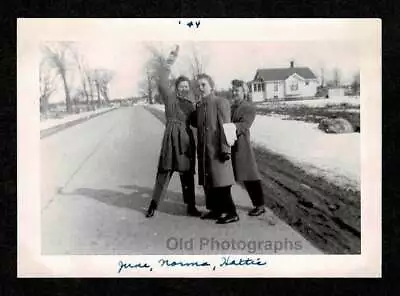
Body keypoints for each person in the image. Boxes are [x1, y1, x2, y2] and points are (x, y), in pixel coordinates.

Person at [146, 45, 201, 218]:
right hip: (171, 139)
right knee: (164, 172)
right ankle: (153, 205)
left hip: (185, 142)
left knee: (187, 175)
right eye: (181, 86)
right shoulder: (170, 98)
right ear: (176, 87)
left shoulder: (192, 105)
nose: (184, 88)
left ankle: (190, 206)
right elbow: (162, 79)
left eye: (187, 86)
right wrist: (172, 57)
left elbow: (197, 123)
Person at [192, 73, 239, 224]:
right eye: (198, 86)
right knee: (210, 182)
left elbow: (226, 127)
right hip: (205, 151)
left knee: (221, 183)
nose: (200, 88)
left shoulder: (220, 102)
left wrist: (225, 150)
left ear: (211, 86)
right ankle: (216, 210)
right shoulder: (200, 106)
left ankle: (231, 212)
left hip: (218, 150)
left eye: (203, 85)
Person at [229, 79, 266, 216]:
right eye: (232, 90)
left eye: (237, 90)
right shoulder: (231, 107)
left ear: (244, 92)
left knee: (249, 175)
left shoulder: (249, 108)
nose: (234, 92)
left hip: (242, 145)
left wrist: (231, 127)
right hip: (230, 144)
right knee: (227, 173)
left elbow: (245, 125)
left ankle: (260, 205)